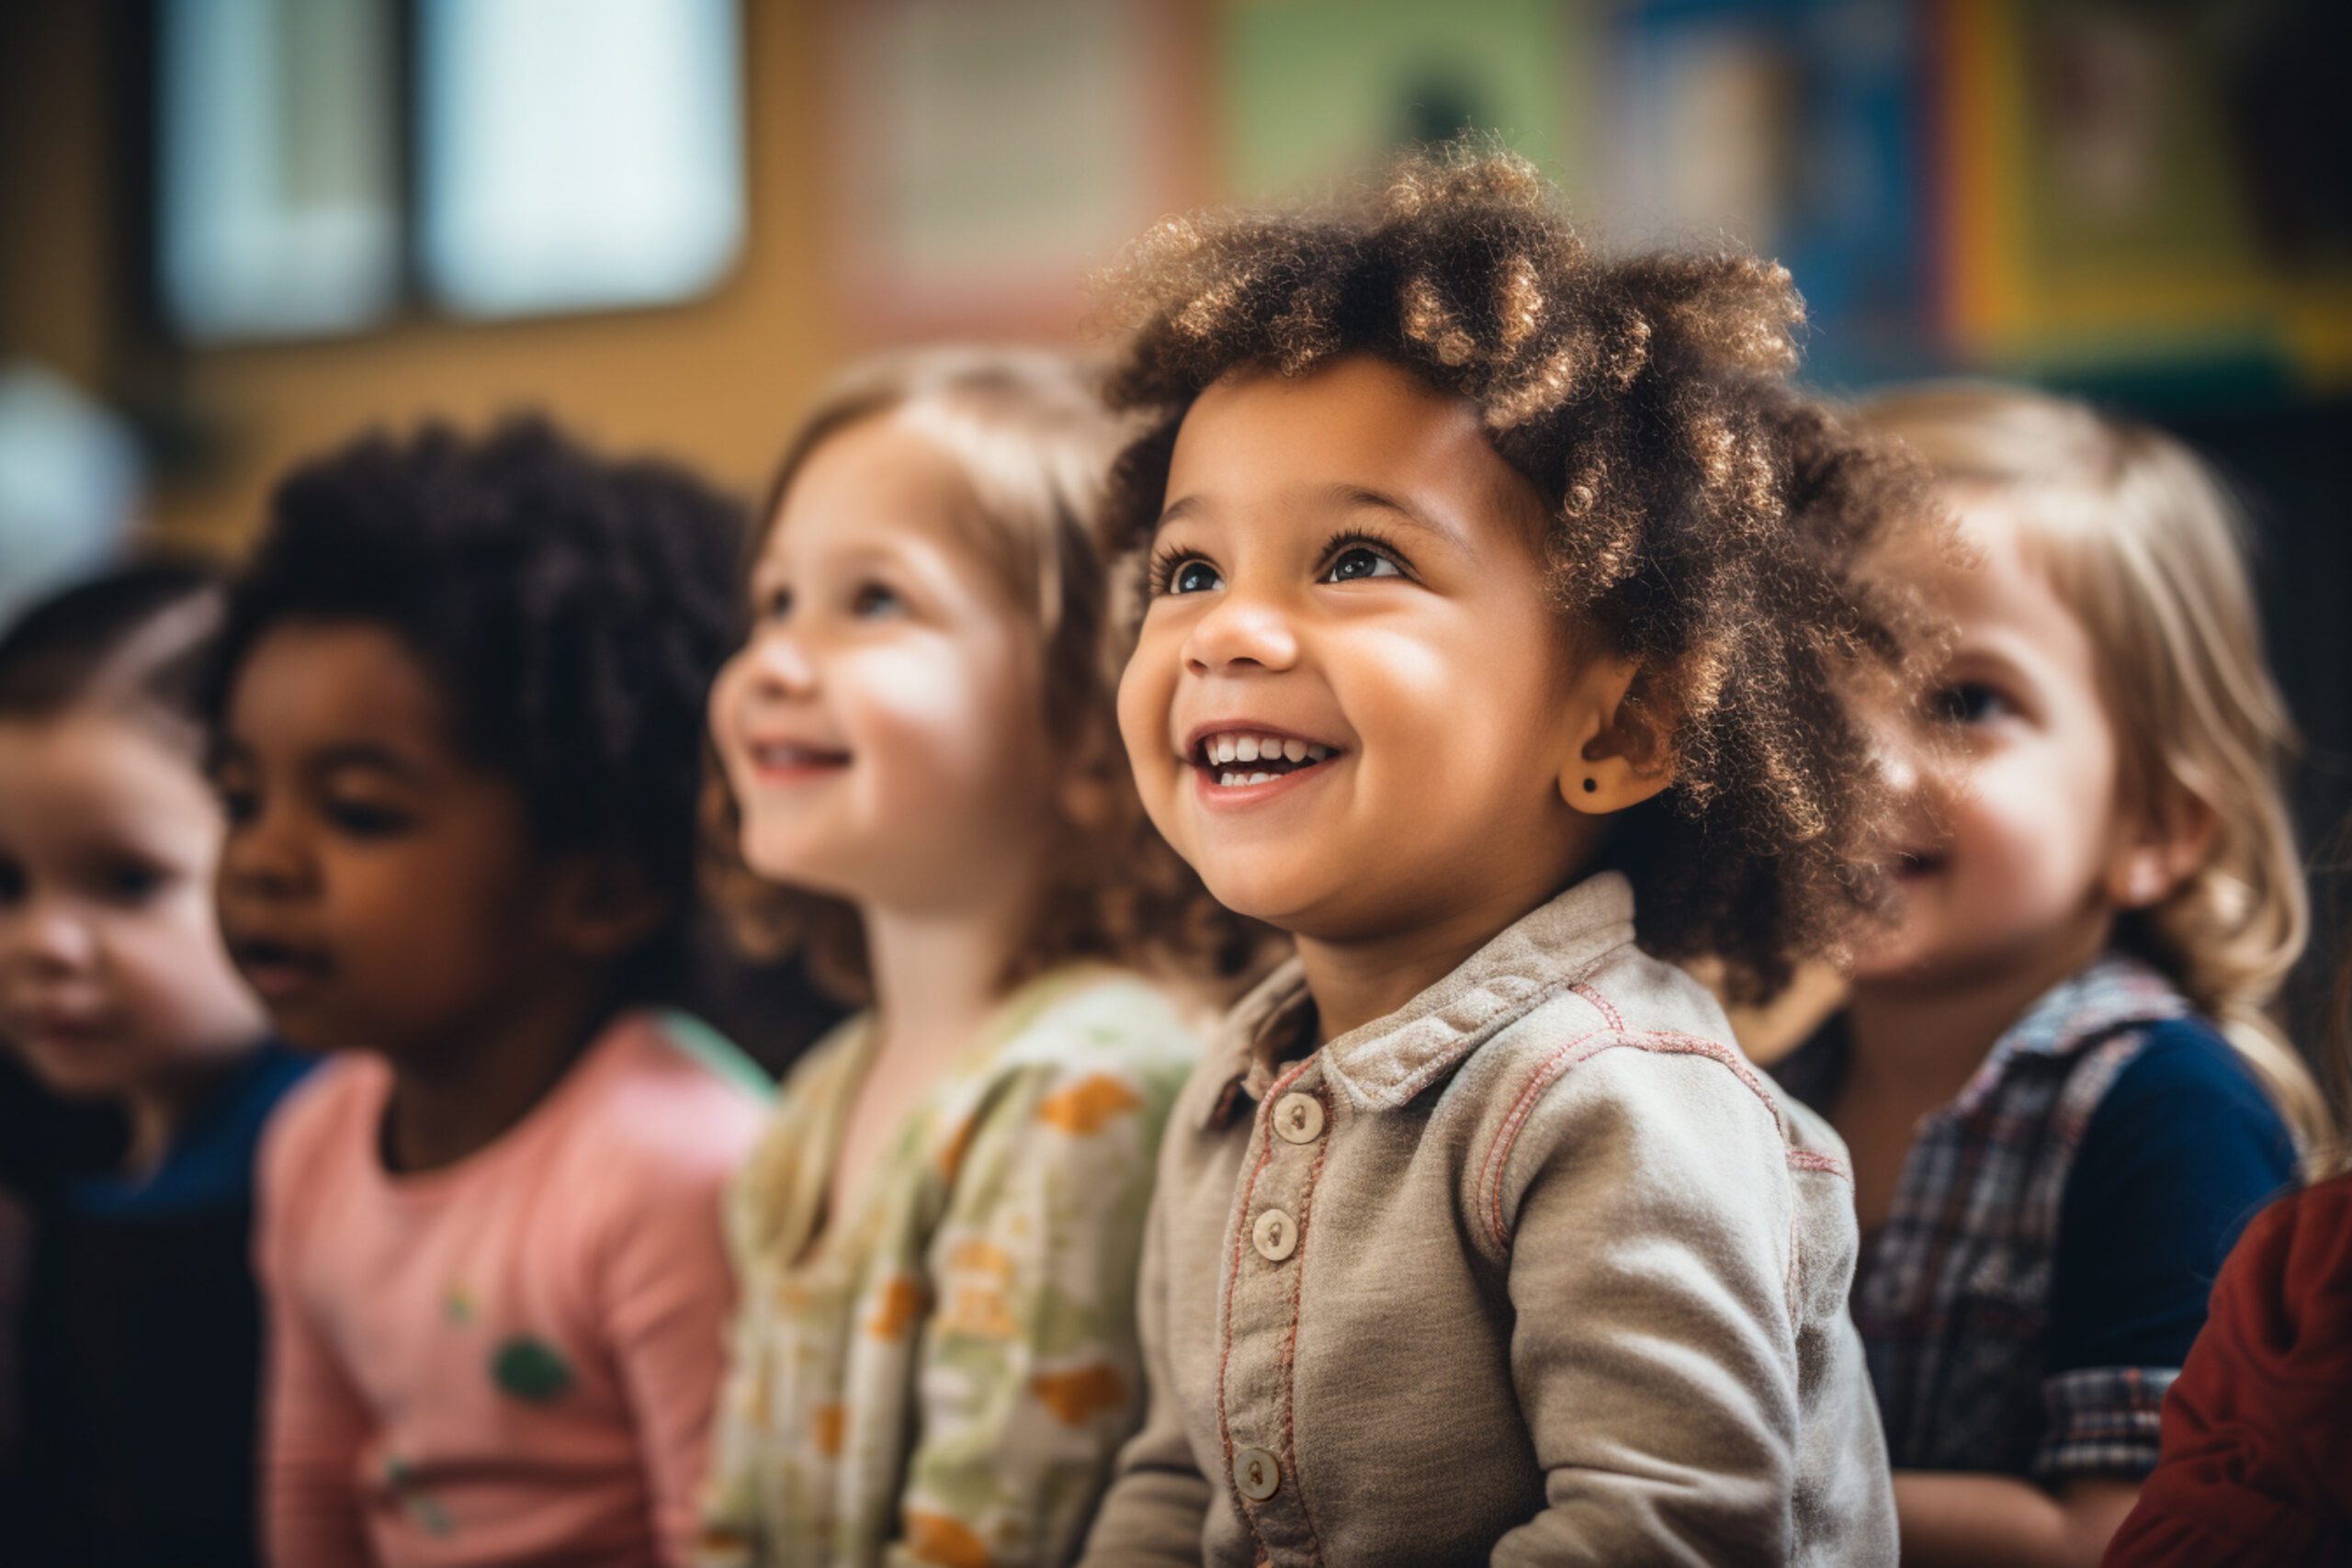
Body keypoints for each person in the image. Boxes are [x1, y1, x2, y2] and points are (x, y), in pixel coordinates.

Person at [1076, 143, 1938, 1566]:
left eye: (1356, 559)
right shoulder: (1236, 1087)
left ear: (1627, 724)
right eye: (1190, 571)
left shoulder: (1612, 1099)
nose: (1227, 629)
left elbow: (1662, 1528)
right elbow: (1180, 1482)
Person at [694, 347, 1263, 1567]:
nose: (776, 662)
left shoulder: (1089, 1086)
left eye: (875, 601)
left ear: (1085, 714)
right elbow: (730, 1516)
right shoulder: (818, 1100)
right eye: (776, 601)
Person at [1772, 386, 2324, 1566]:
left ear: (2156, 824)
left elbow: (2129, 1535)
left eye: (1962, 701)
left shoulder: (2170, 1114)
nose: (1860, 758)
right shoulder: (1752, 1094)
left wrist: (1736, 1492)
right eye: (1813, 690)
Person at [219, 421, 771, 1567]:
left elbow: (719, 1534)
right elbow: (312, 1478)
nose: (264, 860)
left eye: (359, 812)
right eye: (240, 798)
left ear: (603, 886)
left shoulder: (677, 1172)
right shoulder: (310, 1142)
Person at [0, 562, 303, 1566]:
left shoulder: (332, 1151)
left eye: (128, 882)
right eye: (7, 885)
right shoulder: (61, 1147)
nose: (45, 941)